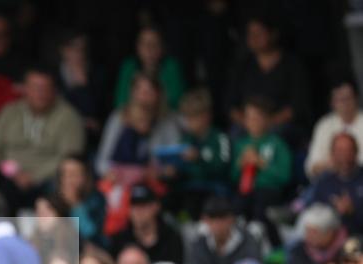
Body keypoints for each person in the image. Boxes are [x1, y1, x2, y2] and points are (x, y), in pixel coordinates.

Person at [0, 67, 85, 199]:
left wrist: (35, 177)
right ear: (24, 88)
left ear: (54, 90)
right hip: (9, 176)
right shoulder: (9, 112)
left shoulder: (68, 116)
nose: (40, 93)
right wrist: (14, 173)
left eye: (45, 88)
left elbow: (70, 158)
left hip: (50, 179)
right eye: (35, 87)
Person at [227, 16, 309, 143]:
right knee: (235, 135)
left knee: (276, 136)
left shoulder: (292, 64)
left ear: (273, 34)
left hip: (280, 124)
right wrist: (249, 123)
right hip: (248, 125)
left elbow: (297, 105)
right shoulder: (243, 66)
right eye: (250, 33)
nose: (254, 38)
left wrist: (268, 122)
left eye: (259, 33)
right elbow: (231, 105)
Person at [232, 96, 292, 247]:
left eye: (257, 117)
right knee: (237, 206)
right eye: (249, 117)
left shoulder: (278, 144)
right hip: (244, 193)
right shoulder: (240, 145)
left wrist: (261, 164)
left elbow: (284, 176)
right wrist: (240, 165)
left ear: (267, 120)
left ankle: (265, 242)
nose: (253, 121)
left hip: (269, 193)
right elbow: (232, 177)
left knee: (261, 201)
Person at [95, 73, 180, 179]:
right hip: (120, 181)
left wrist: (161, 172)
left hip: (155, 183)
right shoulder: (119, 118)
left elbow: (174, 160)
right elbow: (101, 161)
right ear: (132, 93)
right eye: (139, 90)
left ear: (158, 94)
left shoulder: (167, 121)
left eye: (149, 91)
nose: (144, 96)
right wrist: (114, 174)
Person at [188, 196, 262, 264]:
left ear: (231, 219)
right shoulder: (199, 244)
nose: (217, 224)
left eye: (222, 218)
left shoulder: (248, 243)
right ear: (205, 220)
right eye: (212, 219)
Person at [173, 89, 230, 218]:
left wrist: (199, 158)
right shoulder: (185, 140)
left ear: (206, 116)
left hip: (213, 189)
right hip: (189, 189)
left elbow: (223, 168)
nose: (190, 122)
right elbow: (182, 172)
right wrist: (174, 169)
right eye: (187, 117)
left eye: (193, 117)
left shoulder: (220, 138)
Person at [109, 184, 184, 264]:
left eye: (143, 206)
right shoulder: (120, 240)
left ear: (156, 207)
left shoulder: (171, 238)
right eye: (133, 206)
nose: (138, 212)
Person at [114, 25, 185, 111]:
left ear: (162, 47)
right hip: (135, 116)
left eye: (154, 43)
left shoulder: (171, 66)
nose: (149, 48)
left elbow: (178, 102)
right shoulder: (129, 66)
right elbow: (121, 102)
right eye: (144, 43)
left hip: (165, 115)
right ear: (137, 47)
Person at [55, 30, 106, 146]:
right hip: (58, 134)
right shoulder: (53, 75)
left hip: (88, 138)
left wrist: (83, 85)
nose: (79, 53)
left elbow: (93, 113)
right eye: (74, 48)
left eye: (83, 49)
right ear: (63, 50)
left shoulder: (97, 74)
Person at [306, 78, 363, 179]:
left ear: (356, 99)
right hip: (330, 182)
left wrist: (346, 164)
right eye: (340, 100)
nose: (345, 104)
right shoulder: (324, 125)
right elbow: (312, 167)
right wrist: (335, 166)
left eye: (348, 98)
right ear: (333, 103)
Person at [307, 133, 363, 234]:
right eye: (340, 151)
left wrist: (352, 211)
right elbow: (314, 211)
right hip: (328, 239)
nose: (345, 156)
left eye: (349, 150)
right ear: (332, 154)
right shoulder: (324, 181)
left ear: (356, 152)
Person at [56, 155, 106, 249]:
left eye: (74, 174)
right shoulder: (52, 196)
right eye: (64, 174)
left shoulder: (96, 199)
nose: (68, 179)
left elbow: (92, 236)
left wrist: (76, 205)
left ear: (85, 177)